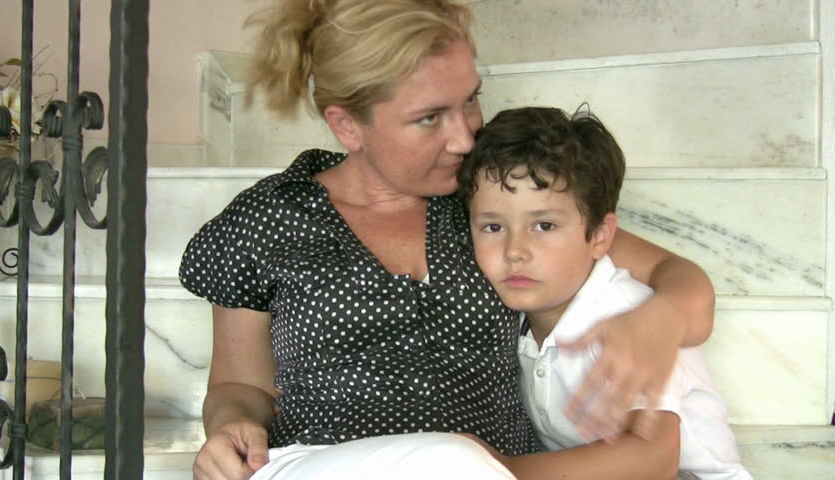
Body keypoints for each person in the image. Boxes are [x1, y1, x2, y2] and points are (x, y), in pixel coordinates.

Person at [179, 1, 716, 479]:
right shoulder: (268, 220)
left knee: (457, 462)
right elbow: (239, 387)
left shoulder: (495, 198)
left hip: (492, 469)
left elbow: (676, 278)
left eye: (470, 99)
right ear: (347, 126)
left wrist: (660, 321)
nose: (464, 136)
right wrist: (230, 428)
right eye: (429, 118)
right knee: (450, 459)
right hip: (324, 461)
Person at [458, 106, 751, 480]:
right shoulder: (517, 315)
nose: (515, 250)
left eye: (544, 225)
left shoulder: (625, 316)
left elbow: (654, 459)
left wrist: (501, 470)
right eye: (493, 227)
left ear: (599, 235)